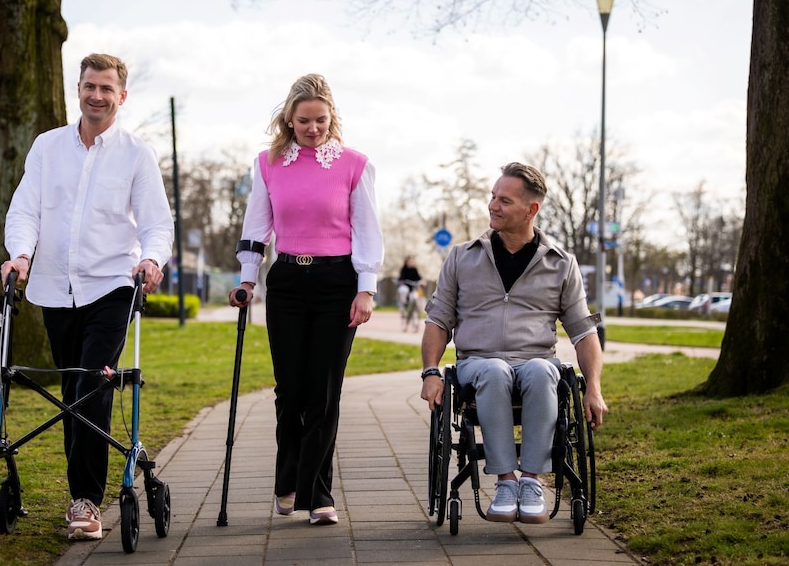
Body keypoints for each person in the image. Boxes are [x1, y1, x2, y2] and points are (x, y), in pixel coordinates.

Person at [0, 53, 174, 541]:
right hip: (55, 288)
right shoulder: (47, 147)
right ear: (78, 89)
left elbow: (158, 223)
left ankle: (84, 502)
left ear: (122, 95)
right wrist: (21, 256)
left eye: (106, 88)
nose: (97, 96)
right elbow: (25, 209)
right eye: (89, 86)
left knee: (89, 388)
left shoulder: (137, 153)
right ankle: (84, 492)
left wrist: (152, 259)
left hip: (113, 285)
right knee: (71, 395)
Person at [228, 73, 383, 526]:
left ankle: (318, 495)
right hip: (288, 284)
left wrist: (366, 288)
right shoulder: (269, 163)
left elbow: (368, 230)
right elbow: (257, 227)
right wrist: (247, 279)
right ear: (289, 120)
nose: (313, 129)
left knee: (324, 392)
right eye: (303, 121)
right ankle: (287, 479)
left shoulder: (355, 164)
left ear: (332, 117)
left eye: (320, 120)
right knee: (290, 392)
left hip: (337, 283)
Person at [419, 162, 608, 525]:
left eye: (504, 200)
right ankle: (506, 481)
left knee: (540, 371)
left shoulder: (561, 263)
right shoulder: (462, 256)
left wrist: (594, 388)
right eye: (493, 196)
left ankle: (532, 482)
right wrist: (430, 372)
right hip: (478, 362)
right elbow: (438, 320)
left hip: (536, 360)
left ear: (531, 209)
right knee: (494, 370)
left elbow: (584, 332)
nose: (493, 205)